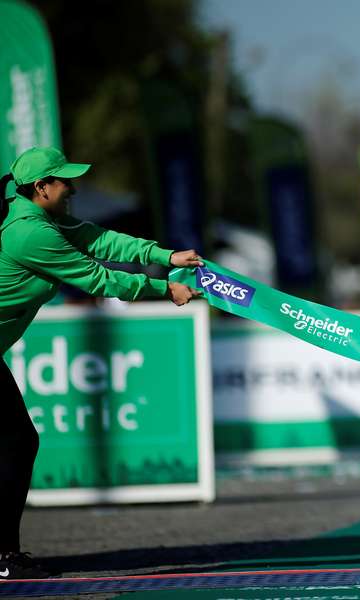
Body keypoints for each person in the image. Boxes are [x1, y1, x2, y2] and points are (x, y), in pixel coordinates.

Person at [0, 146, 203, 579]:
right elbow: (98, 276)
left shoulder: (39, 216)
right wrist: (164, 290)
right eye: (64, 181)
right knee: (16, 443)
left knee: (15, 444)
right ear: (42, 188)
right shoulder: (28, 232)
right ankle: (3, 557)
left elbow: (100, 239)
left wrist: (165, 257)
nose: (72, 188)